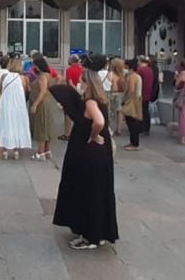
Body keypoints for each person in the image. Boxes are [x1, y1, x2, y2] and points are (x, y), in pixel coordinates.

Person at [49, 65, 118, 250]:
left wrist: (94, 134)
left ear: (88, 83)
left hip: (89, 151)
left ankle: (89, 236)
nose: (79, 83)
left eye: (82, 81)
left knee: (87, 190)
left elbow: (99, 121)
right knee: (97, 191)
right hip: (99, 153)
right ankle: (98, 232)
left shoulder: (91, 102)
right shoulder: (99, 100)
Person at [0, 57, 31, 160]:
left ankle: (5, 150)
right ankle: (16, 150)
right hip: (18, 103)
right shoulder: (24, 78)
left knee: (6, 123)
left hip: (6, 102)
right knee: (17, 123)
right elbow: (27, 90)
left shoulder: (4, 76)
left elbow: (1, 90)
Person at [28, 57, 55, 160]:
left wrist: (35, 104)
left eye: (34, 65)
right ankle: (47, 150)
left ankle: (40, 152)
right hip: (46, 102)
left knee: (41, 126)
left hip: (42, 104)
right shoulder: (47, 75)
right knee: (46, 126)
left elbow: (43, 91)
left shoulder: (42, 77)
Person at [119, 59, 143, 151]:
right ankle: (133, 142)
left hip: (132, 100)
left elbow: (131, 90)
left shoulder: (132, 77)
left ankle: (135, 143)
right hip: (136, 99)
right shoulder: (136, 76)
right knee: (132, 122)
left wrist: (125, 100)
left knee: (132, 122)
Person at [62, 54, 83, 141]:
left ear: (71, 61)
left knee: (68, 114)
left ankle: (67, 134)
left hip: (71, 93)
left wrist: (75, 91)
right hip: (81, 92)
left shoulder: (69, 70)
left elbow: (70, 83)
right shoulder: (82, 69)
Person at [137, 56, 155, 135]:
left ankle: (141, 128)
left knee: (141, 112)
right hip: (148, 93)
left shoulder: (140, 70)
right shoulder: (150, 69)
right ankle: (146, 128)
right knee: (146, 111)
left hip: (141, 93)